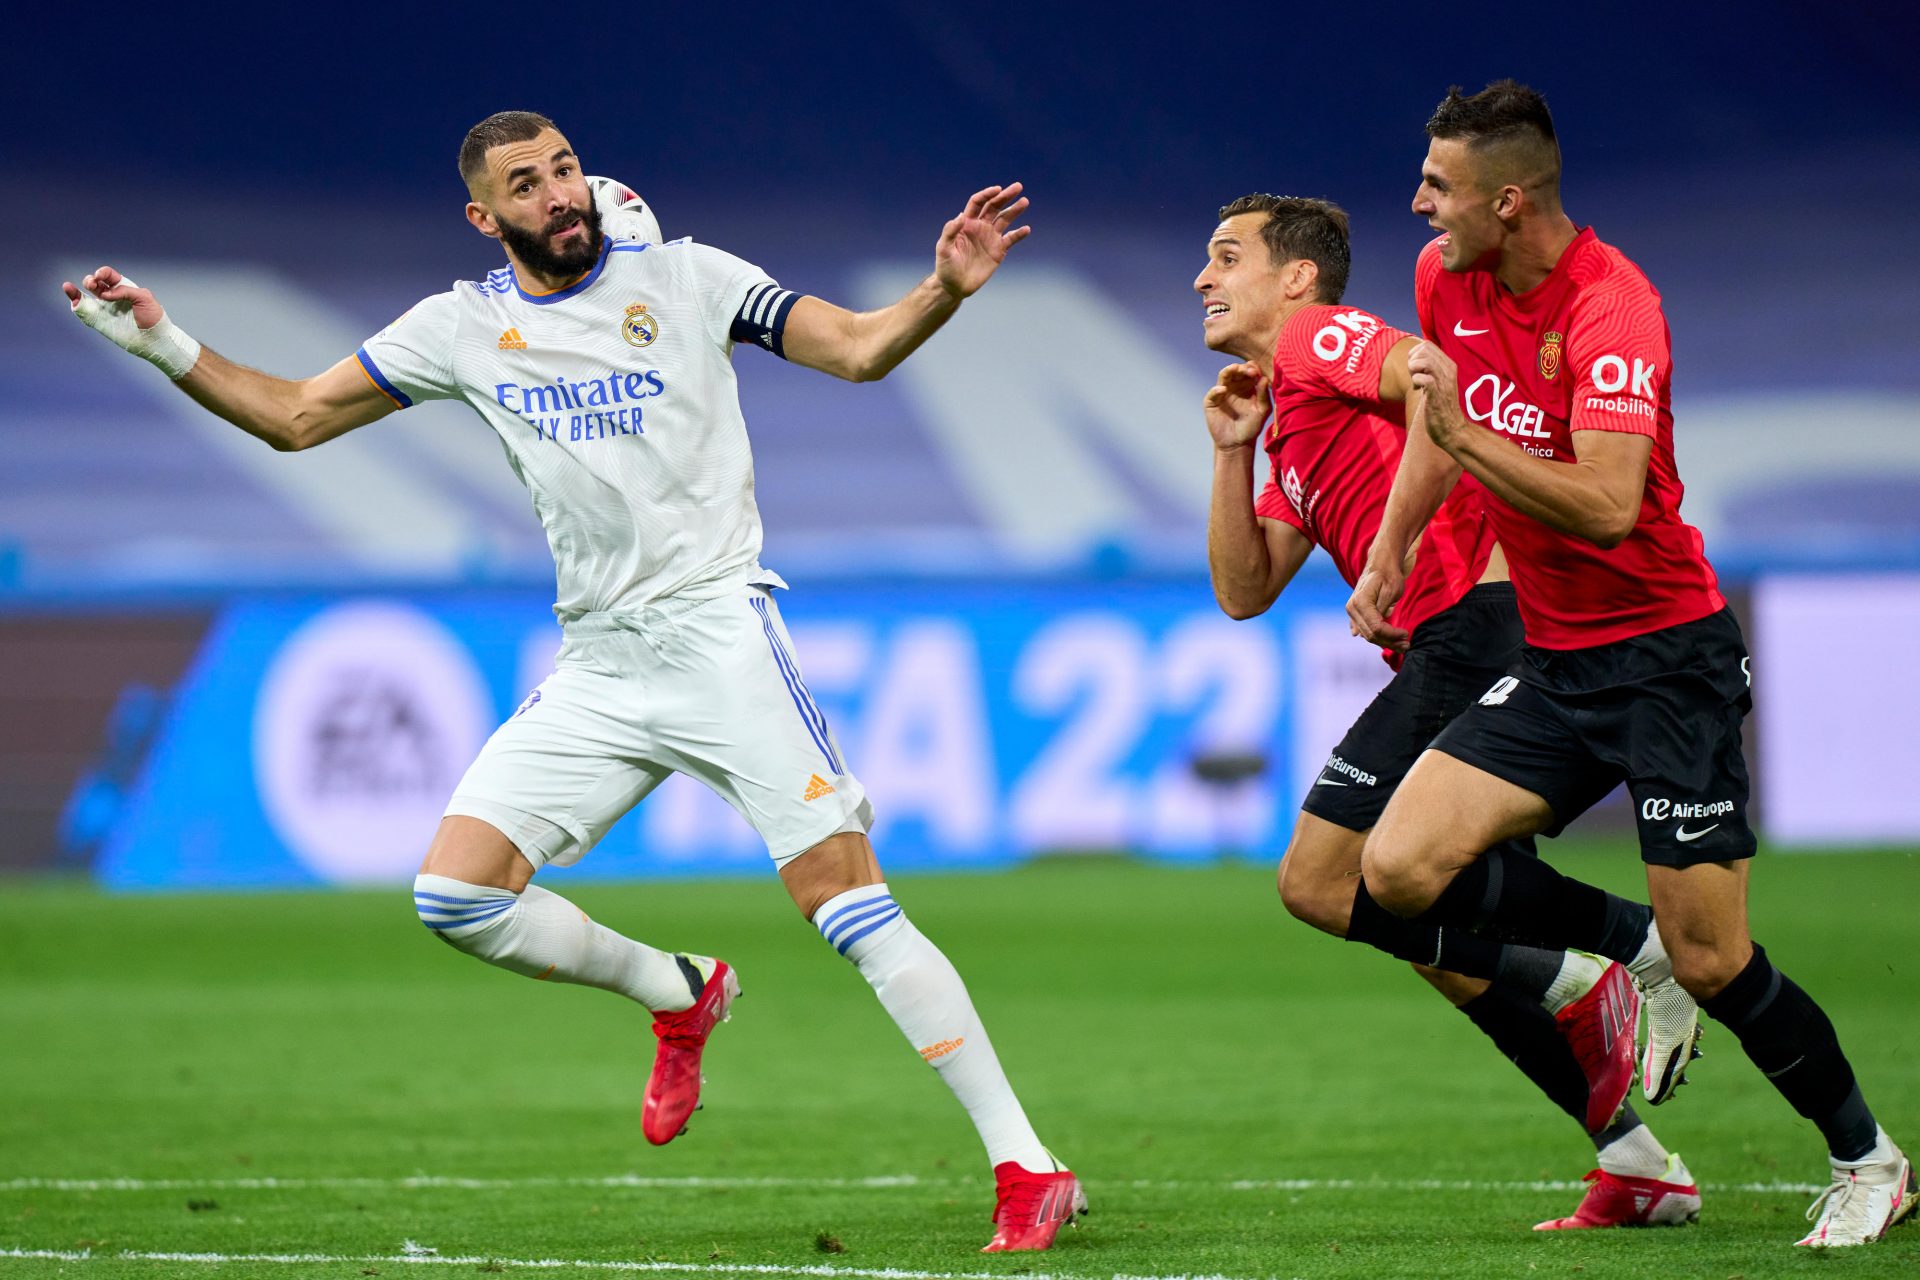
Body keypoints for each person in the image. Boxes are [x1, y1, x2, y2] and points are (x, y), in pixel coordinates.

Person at [62, 109, 1086, 1254]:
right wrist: (160, 340)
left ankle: (1027, 1164)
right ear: (484, 215)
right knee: (454, 897)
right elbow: (295, 417)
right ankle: (677, 988)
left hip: (718, 636)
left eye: (563, 170)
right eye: (526, 184)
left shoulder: (694, 280)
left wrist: (942, 290)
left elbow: (853, 346)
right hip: (600, 659)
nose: (558, 194)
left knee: (846, 904)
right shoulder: (464, 326)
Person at [1348, 80, 1916, 1249]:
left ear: (1509, 200)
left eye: (1439, 187)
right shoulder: (1443, 280)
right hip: (1556, 657)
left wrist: (1466, 436)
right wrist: (1393, 548)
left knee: (1719, 956)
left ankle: (1870, 1158)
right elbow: (1434, 436)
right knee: (1398, 869)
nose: (1418, 204)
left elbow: (1608, 505)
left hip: (1667, 662)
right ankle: (1632, 952)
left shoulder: (1615, 308)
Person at [1197, 193, 1698, 1230]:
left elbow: (1434, 373)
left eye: (1226, 256)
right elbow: (1246, 589)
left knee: (1324, 880)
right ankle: (1634, 1156)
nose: (1204, 278)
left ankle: (1604, 955)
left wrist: (1390, 543)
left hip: (1481, 613)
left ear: (1297, 277)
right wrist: (1233, 449)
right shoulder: (1289, 410)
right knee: (1420, 925)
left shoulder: (1315, 335)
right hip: (1445, 634)